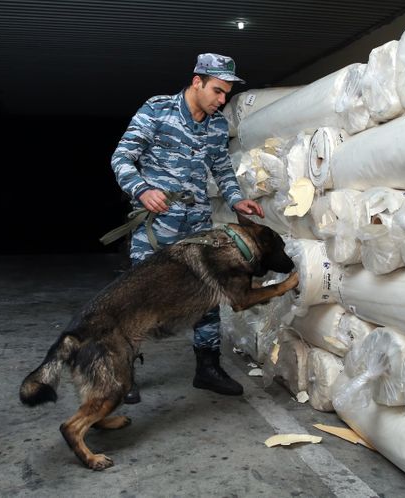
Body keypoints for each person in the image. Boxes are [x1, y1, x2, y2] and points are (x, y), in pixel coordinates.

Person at [110, 53, 262, 403]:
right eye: (218, 91)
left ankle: (207, 368)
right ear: (197, 81)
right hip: (156, 226)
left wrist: (237, 200)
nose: (222, 100)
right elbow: (121, 157)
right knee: (140, 299)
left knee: (208, 294)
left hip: (196, 226)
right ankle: (124, 373)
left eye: (226, 94)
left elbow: (222, 170)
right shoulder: (158, 110)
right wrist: (142, 189)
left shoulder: (217, 125)